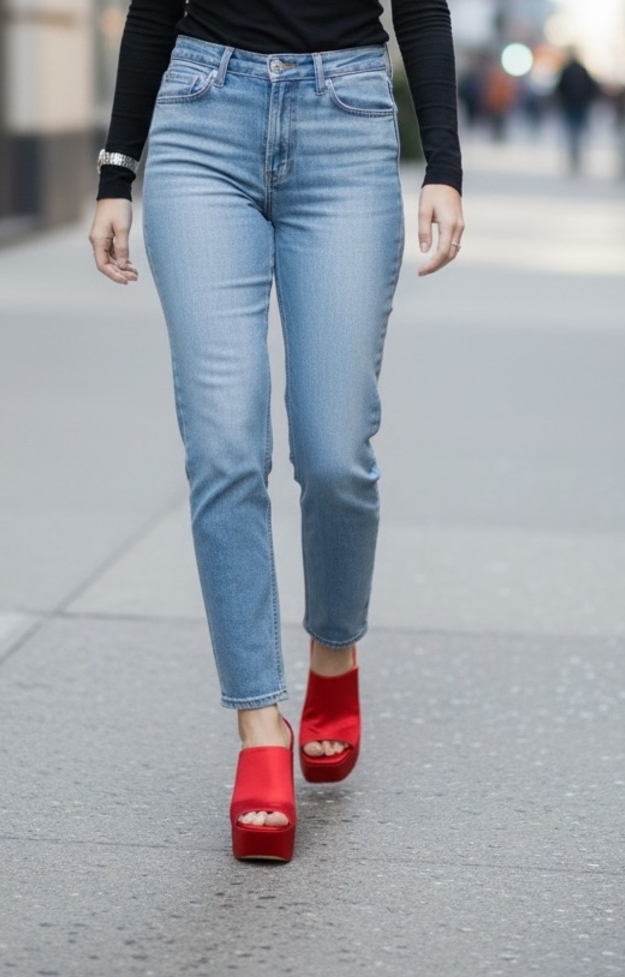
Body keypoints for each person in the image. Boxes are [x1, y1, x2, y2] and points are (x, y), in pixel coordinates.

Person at [89, 0, 464, 863]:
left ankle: (333, 650)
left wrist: (443, 165)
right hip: (201, 122)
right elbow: (153, 7)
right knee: (224, 447)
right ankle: (259, 726)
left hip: (346, 126)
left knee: (335, 454)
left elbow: (421, 6)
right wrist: (116, 172)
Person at [555, 48, 600, 174]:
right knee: (579, 130)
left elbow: (559, 88)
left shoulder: (566, 70)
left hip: (570, 104)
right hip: (581, 105)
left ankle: (573, 153)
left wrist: (562, 99)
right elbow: (593, 87)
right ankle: (576, 154)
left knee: (571, 130)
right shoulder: (582, 70)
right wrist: (589, 99)